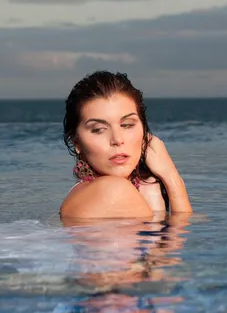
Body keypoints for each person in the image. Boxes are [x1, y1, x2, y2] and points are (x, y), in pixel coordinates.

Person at [60, 71, 192, 220]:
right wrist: (171, 177)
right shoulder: (115, 190)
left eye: (127, 125)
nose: (117, 139)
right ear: (76, 143)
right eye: (98, 130)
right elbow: (178, 240)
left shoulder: (84, 192)